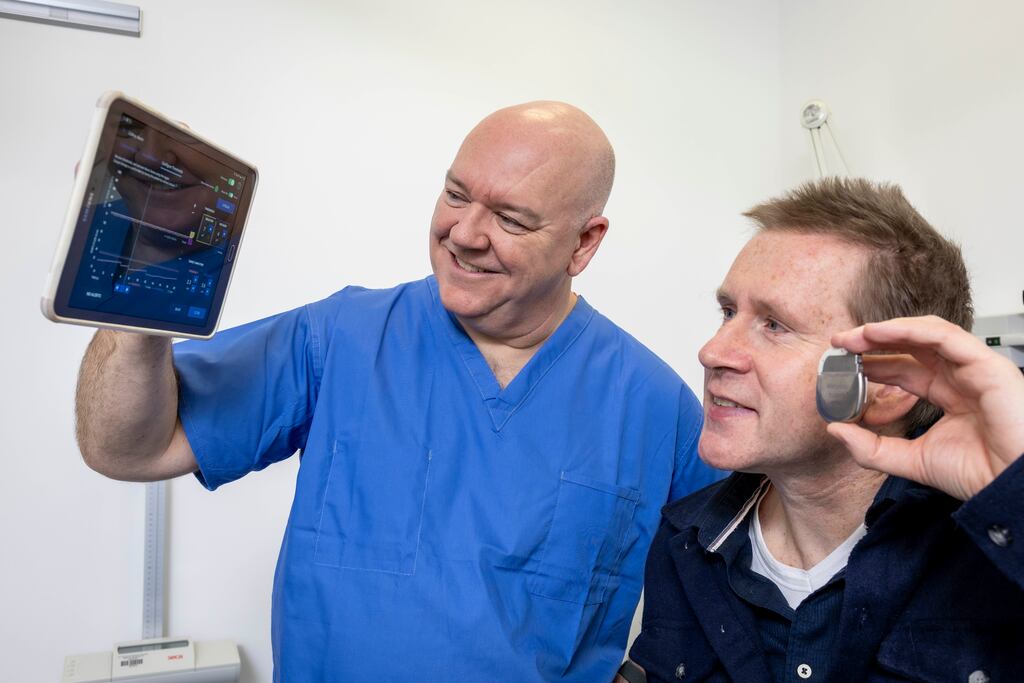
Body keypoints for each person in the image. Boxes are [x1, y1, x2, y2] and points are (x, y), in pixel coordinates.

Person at [75, 101, 722, 681]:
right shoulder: (340, 337)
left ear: (584, 243)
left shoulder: (657, 408)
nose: (466, 234)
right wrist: (144, 273)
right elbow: (126, 448)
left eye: (511, 218)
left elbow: (724, 606)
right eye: (456, 194)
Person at [620, 178, 1024, 682]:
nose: (713, 351)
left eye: (775, 325)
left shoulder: (993, 554)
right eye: (727, 312)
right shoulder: (687, 541)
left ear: (886, 381)